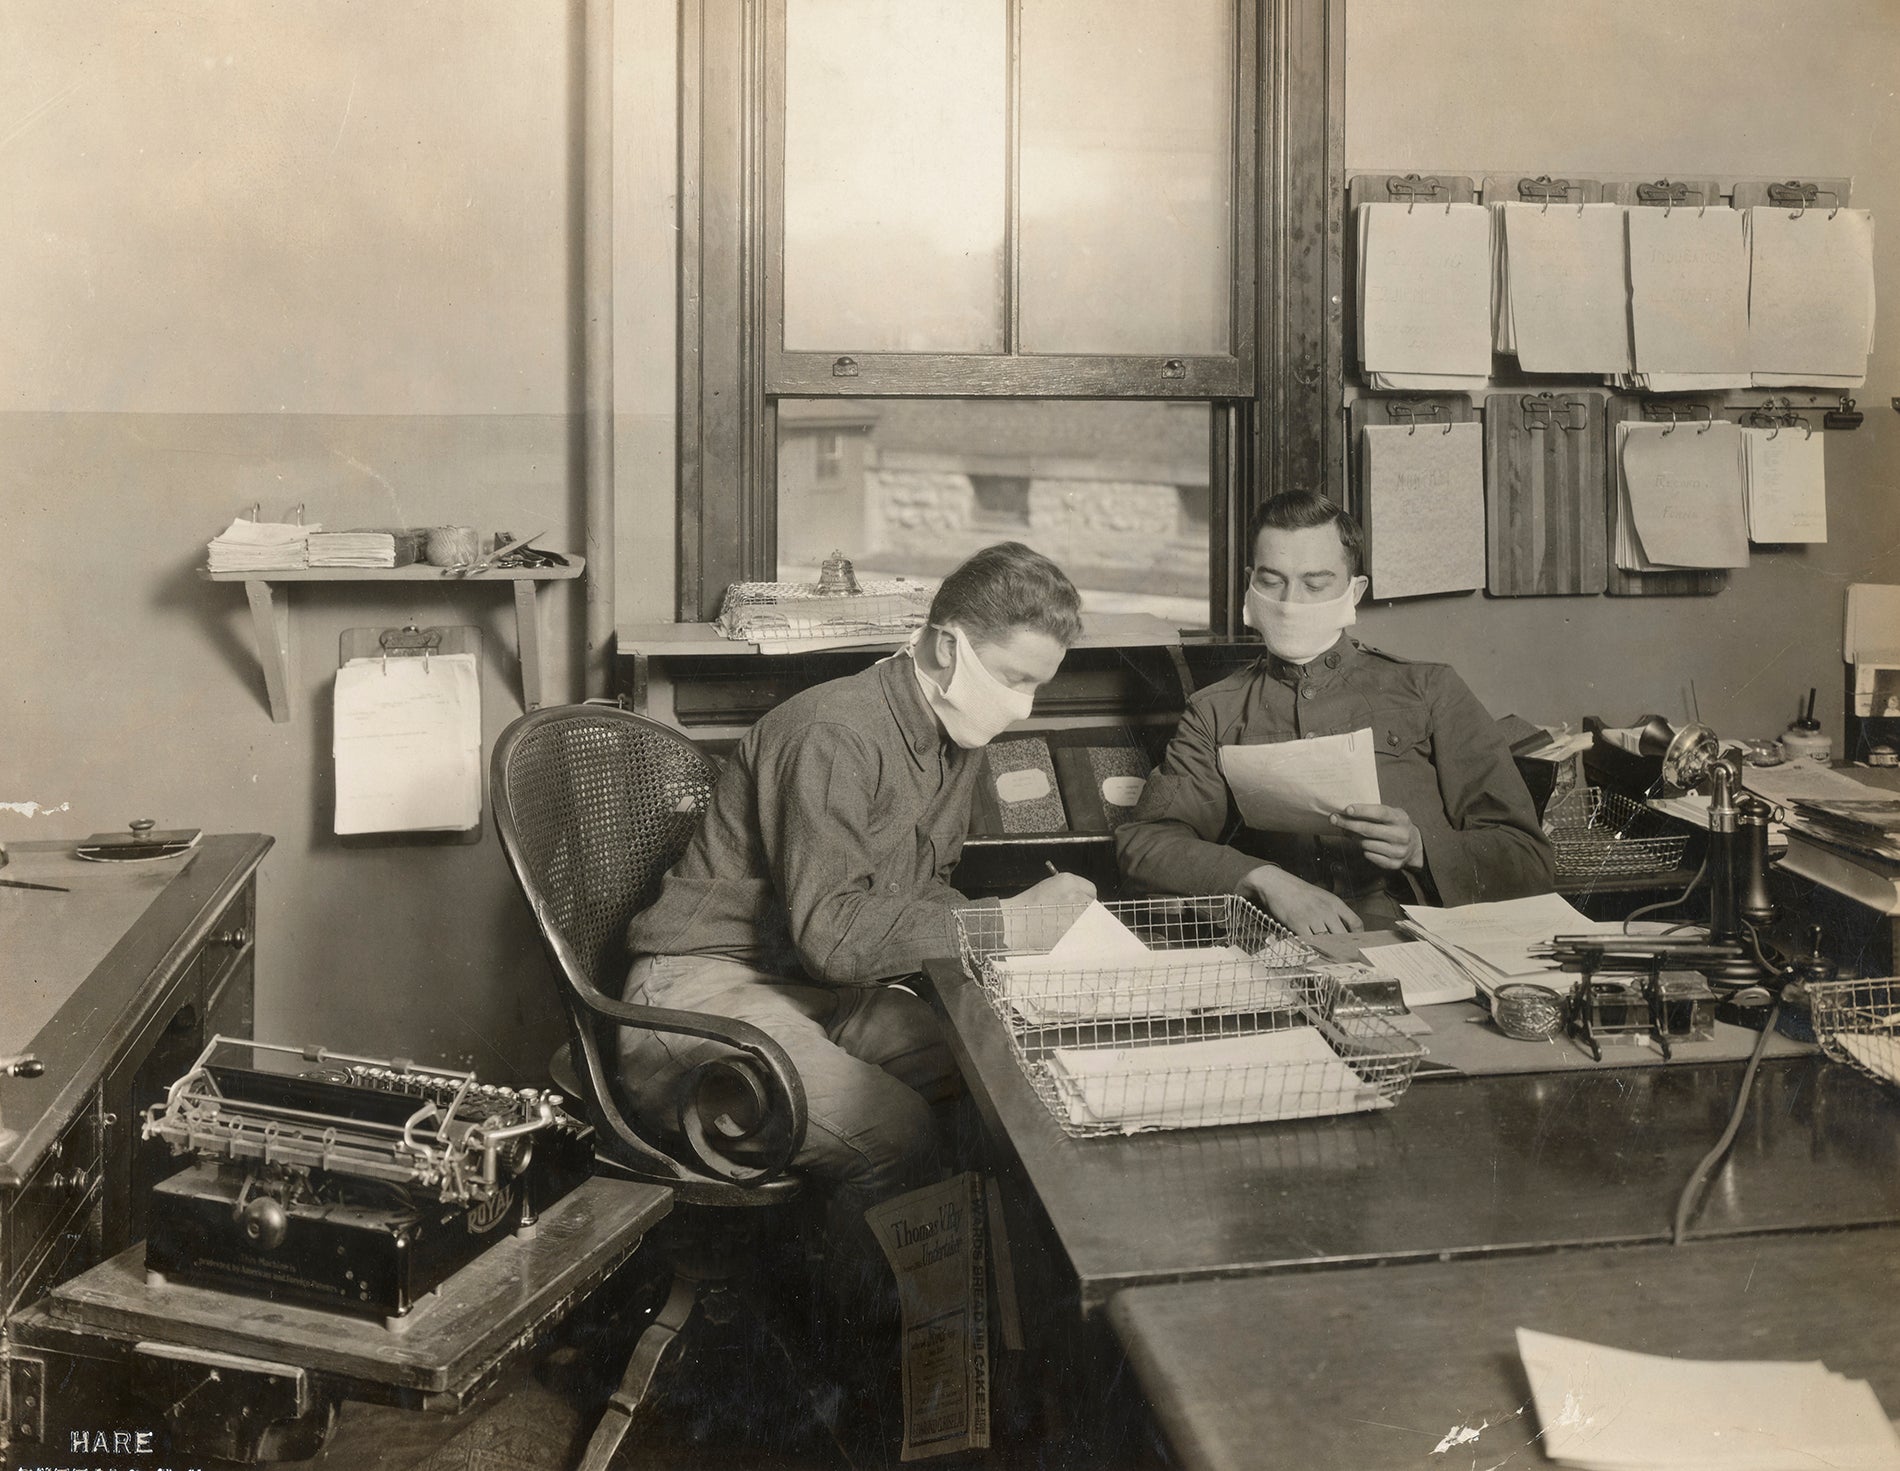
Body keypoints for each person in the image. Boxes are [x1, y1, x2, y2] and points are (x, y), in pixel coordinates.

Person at [620, 542, 1094, 1217]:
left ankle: (959, 1312)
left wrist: (1014, 945)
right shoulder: (834, 732)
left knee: (1007, 1081)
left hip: (814, 992)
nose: (1024, 708)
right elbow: (835, 938)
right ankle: (873, 1322)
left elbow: (919, 892)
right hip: (695, 991)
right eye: (1014, 678)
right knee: (897, 1136)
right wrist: (1004, 923)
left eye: (1038, 685)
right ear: (944, 647)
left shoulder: (952, 732)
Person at [1117, 492, 1554, 935]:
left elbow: (1528, 860)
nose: (1291, 602)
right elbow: (1147, 842)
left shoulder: (1429, 689)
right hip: (1277, 948)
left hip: (1420, 942)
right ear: (1250, 583)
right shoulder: (1215, 711)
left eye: (1315, 583)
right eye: (1272, 581)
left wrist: (1421, 849)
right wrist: (1264, 879)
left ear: (1354, 591)